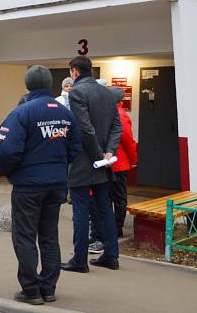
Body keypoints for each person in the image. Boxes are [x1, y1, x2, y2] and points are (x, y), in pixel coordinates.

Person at [0, 66, 82, 305]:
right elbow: (75, 149)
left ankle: (31, 290)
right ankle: (49, 288)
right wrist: (57, 167)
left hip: (28, 186)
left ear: (27, 85)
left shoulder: (22, 112)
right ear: (50, 85)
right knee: (49, 237)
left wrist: (11, 173)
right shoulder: (66, 114)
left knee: (24, 238)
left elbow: (6, 151)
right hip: (56, 185)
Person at [61, 56, 122, 273]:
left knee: (80, 211)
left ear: (74, 72)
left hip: (83, 162)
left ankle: (79, 260)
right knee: (105, 209)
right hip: (103, 162)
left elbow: (84, 128)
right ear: (92, 72)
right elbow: (117, 126)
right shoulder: (107, 92)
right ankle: (111, 256)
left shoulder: (76, 92)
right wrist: (109, 153)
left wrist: (98, 156)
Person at [88, 86, 138, 248]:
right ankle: (114, 227)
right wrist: (132, 159)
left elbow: (126, 140)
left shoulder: (115, 115)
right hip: (118, 163)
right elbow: (129, 141)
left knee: (114, 197)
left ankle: (116, 228)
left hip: (114, 163)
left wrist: (132, 158)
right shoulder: (119, 114)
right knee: (116, 196)